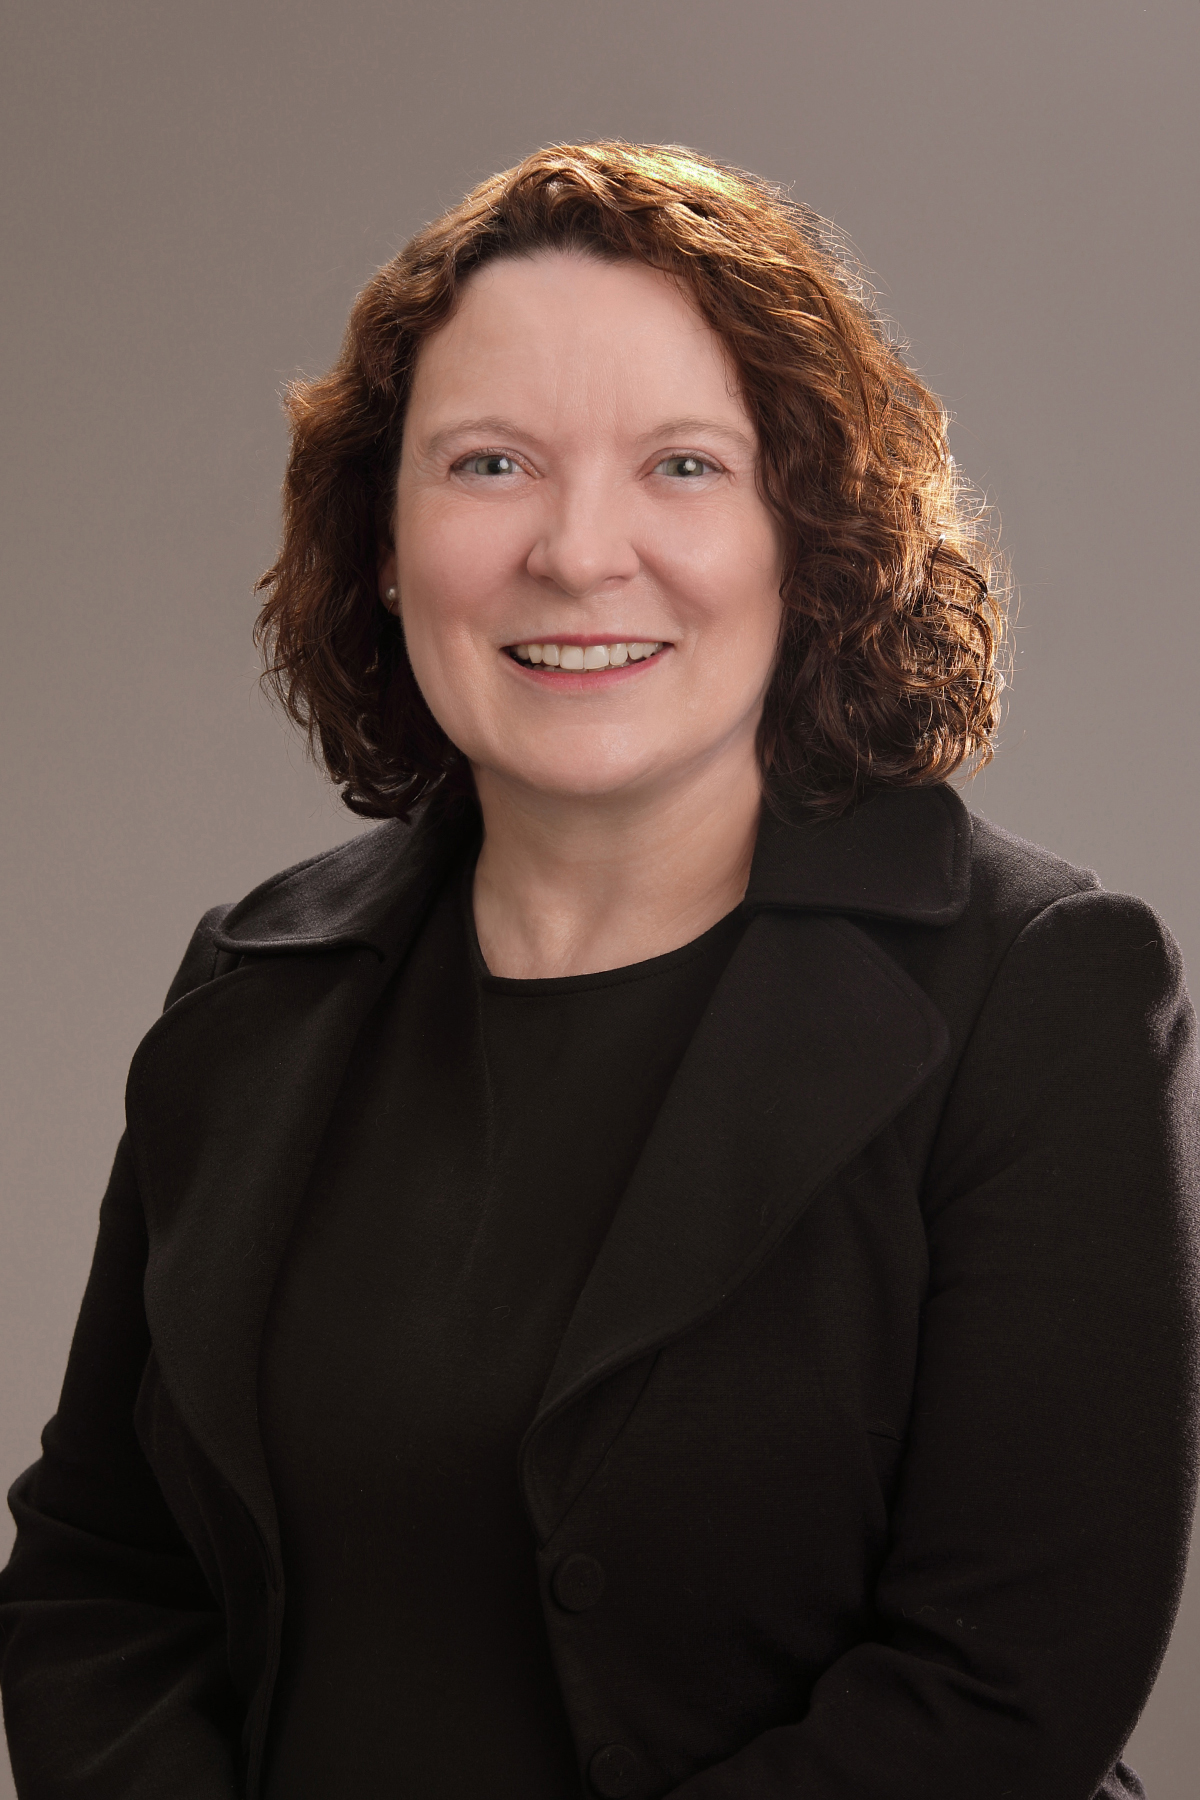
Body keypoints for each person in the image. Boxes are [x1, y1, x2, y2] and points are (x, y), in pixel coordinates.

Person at [0, 140, 1196, 1800]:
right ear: (384, 538)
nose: (577, 550)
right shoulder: (246, 990)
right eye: (488, 465)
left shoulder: (1037, 992)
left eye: (683, 467)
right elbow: (97, 1574)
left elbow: (1000, 1691)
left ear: (811, 530)